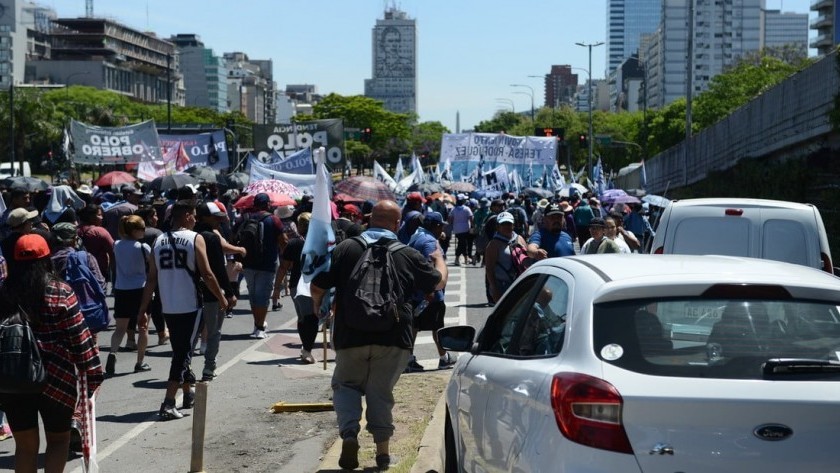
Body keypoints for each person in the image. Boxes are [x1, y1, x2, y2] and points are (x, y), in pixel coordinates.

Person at [310, 200, 445, 471]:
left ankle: (349, 434)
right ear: (397, 224)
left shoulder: (346, 248)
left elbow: (317, 284)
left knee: (346, 385)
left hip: (350, 333)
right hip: (394, 337)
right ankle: (382, 454)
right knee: (380, 392)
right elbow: (437, 282)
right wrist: (440, 260)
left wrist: (318, 309)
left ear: (371, 220)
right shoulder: (406, 253)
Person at [0, 234, 103, 472]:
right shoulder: (60, 291)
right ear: (47, 258)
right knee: (58, 441)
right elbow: (79, 337)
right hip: (57, 380)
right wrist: (93, 373)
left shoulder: (4, 292)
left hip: (15, 380)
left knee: (25, 447)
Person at [136, 201, 228, 420]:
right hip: (190, 304)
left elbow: (150, 279)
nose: (195, 219)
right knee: (182, 354)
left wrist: (143, 309)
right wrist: (222, 297)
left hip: (168, 304)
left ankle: (187, 392)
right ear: (187, 216)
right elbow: (207, 273)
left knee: (181, 349)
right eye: (193, 215)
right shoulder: (196, 239)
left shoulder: (159, 240)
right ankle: (168, 402)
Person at [406, 211, 454, 372]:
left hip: (416, 292)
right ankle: (443, 357)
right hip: (430, 293)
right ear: (437, 226)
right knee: (437, 326)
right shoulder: (429, 242)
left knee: (414, 326)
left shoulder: (417, 237)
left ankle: (409, 358)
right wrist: (431, 289)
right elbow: (428, 266)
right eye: (441, 226)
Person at [194, 201, 236, 381]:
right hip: (211, 292)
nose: (219, 221)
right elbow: (218, 269)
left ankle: (184, 369)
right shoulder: (211, 238)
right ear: (205, 218)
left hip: (191, 291)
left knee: (192, 333)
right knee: (214, 332)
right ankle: (209, 367)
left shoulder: (191, 236)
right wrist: (228, 292)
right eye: (215, 218)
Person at [106, 215, 152, 375]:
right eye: (142, 228)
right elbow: (152, 265)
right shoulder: (142, 247)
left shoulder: (116, 245)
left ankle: (112, 352)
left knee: (120, 328)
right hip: (139, 289)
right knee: (143, 326)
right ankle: (140, 362)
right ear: (134, 231)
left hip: (121, 289)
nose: (144, 231)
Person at [275, 212, 319, 364]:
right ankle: (306, 349)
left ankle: (306, 348)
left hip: (297, 285)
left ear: (301, 227)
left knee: (303, 317)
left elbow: (283, 267)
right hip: (314, 285)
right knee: (311, 318)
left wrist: (276, 289)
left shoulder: (294, 244)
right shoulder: (320, 243)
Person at [239, 193, 284, 339]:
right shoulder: (274, 220)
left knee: (253, 295)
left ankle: (257, 323)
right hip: (267, 264)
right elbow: (283, 241)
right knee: (263, 296)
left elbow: (235, 236)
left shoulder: (246, 218)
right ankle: (259, 327)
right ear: (267, 204)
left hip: (248, 263)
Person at [484, 211, 528, 304]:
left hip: (521, 284)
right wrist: (494, 290)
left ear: (513, 225)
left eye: (509, 223)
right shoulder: (493, 245)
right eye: (503, 224)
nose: (507, 226)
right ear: (498, 226)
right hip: (503, 286)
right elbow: (489, 269)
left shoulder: (519, 238)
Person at [448, 195, 473, 266]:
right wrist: (472, 226)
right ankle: (460, 258)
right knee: (462, 244)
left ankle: (463, 258)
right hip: (465, 229)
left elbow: (450, 220)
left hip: (457, 229)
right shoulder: (466, 209)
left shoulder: (453, 209)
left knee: (462, 243)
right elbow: (471, 218)